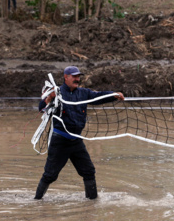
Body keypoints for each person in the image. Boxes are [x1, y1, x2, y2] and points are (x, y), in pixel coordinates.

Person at [34, 66, 124, 200]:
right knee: (50, 175)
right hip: (60, 141)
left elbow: (98, 97)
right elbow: (41, 109)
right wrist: (48, 99)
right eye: (74, 76)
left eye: (78, 76)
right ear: (66, 77)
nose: (77, 79)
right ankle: (36, 201)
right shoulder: (56, 93)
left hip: (76, 141)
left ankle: (92, 202)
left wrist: (113, 95)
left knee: (89, 172)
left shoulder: (84, 93)